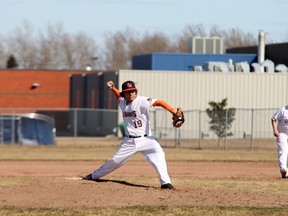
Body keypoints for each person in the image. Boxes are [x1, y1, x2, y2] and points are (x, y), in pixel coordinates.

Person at [82, 80, 180, 189]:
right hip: (129, 141)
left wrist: (172, 110)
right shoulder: (122, 102)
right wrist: (113, 88)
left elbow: (159, 102)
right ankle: (94, 175)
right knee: (114, 161)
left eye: (133, 91)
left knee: (159, 156)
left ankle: (165, 183)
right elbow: (118, 96)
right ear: (124, 94)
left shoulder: (142, 101)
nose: (131, 93)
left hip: (147, 139)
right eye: (128, 92)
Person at [271, 105, 288, 178]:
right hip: (282, 134)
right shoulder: (283, 110)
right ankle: (283, 169)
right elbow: (273, 118)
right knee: (283, 151)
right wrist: (275, 130)